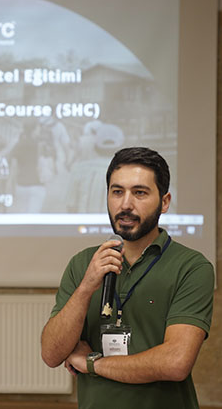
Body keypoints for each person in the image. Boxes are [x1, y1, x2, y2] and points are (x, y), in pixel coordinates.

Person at [40, 147, 214, 409]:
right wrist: (87, 287)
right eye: (117, 192)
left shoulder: (191, 267)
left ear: (165, 202)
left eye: (139, 193)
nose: (125, 205)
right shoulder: (83, 263)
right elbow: (52, 354)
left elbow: (175, 362)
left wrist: (92, 363)